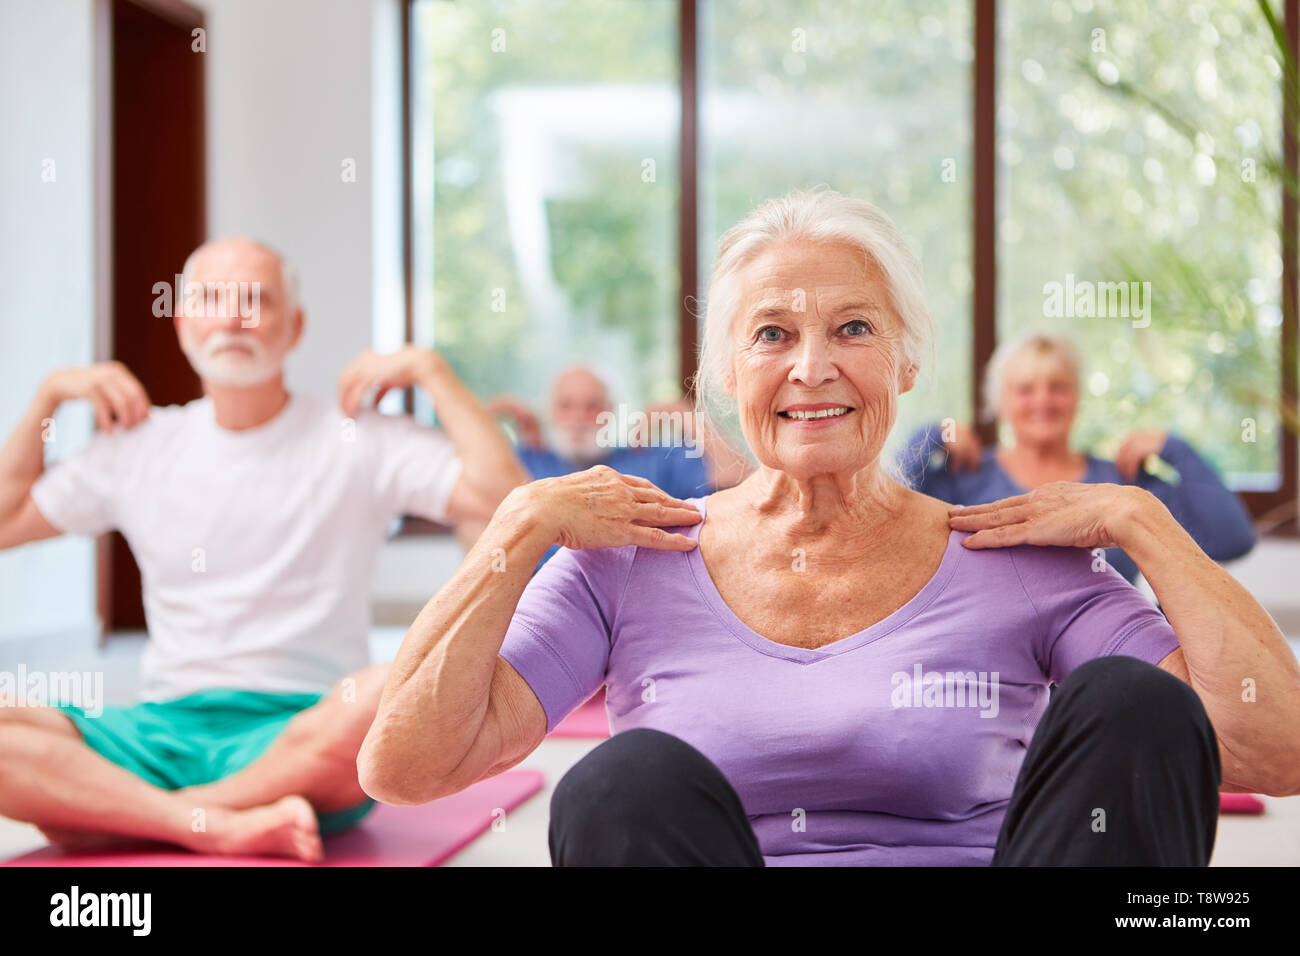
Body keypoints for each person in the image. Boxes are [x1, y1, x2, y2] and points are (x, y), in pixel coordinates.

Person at [358, 189, 1300, 867]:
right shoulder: (631, 558)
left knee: (1137, 705)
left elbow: (1276, 752)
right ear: (727, 375)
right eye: (772, 334)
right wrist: (516, 529)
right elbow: (403, 766)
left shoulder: (1008, 549)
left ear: (904, 362)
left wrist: (1146, 523)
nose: (812, 368)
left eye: (852, 329)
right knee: (619, 783)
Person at [0, 237, 528, 861]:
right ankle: (207, 821)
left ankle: (129, 810)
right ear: (182, 322)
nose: (232, 317)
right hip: (161, 731)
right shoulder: (138, 447)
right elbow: (8, 521)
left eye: (255, 300)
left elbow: (511, 500)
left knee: (393, 691)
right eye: (211, 300)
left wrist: (432, 373)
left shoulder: (357, 439)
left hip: (304, 732)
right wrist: (48, 398)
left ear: (294, 326)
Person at [899, 331, 1256, 583]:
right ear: (1000, 402)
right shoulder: (965, 478)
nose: (1043, 401)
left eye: (1058, 387)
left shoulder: (1122, 484)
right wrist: (933, 434)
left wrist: (1175, 449)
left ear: (1077, 397)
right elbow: (882, 517)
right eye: (1026, 389)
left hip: (1109, 674)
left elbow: (1230, 538)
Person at [484, 364, 750, 564]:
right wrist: (489, 416)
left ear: (611, 412)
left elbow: (740, 477)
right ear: (549, 412)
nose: (579, 417)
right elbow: (453, 476)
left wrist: (682, 414)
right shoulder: (524, 461)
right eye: (566, 406)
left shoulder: (649, 457)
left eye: (592, 406)